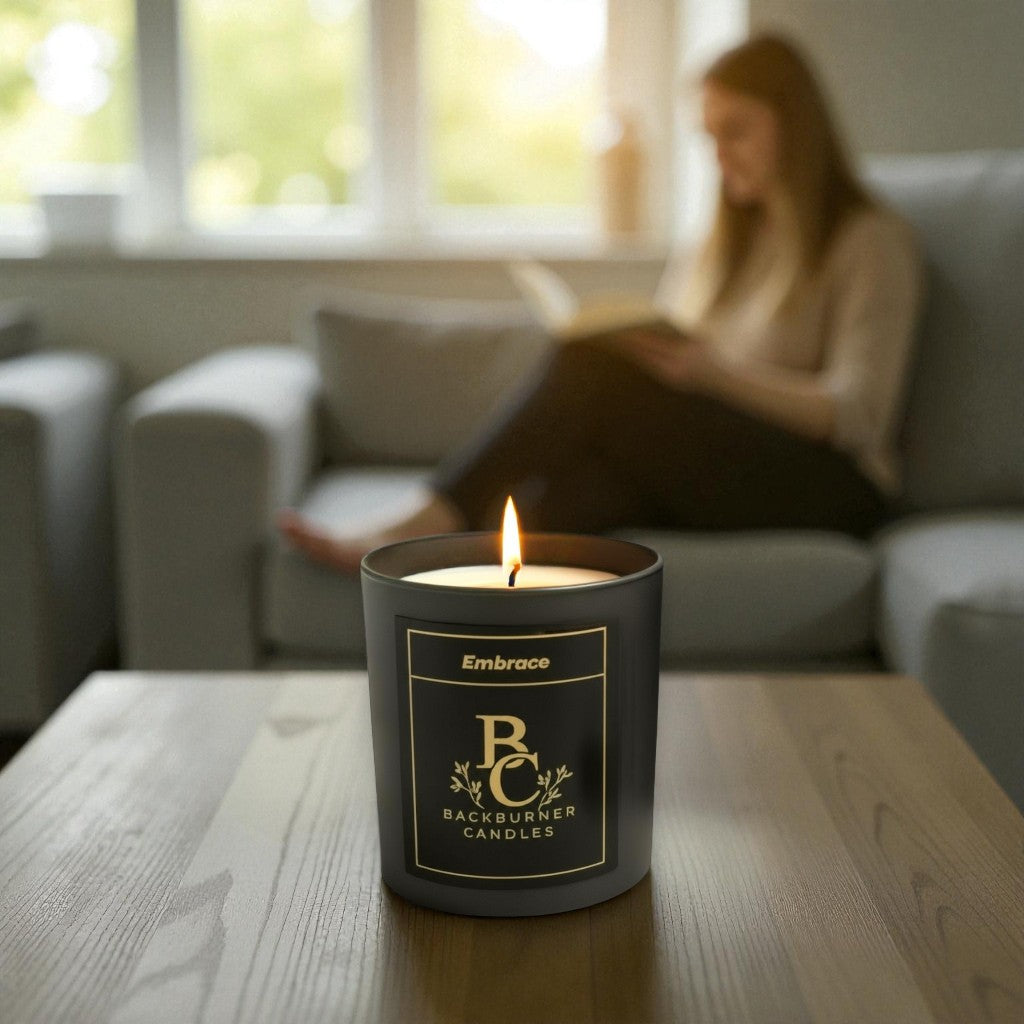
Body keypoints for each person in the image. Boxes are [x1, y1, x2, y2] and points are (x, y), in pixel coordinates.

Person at [280, 33, 922, 573]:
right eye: (710, 137)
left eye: (736, 132)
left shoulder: (871, 241)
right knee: (584, 487)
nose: (720, 156)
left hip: (834, 485)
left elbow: (858, 416)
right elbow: (675, 353)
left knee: (592, 369)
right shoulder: (727, 240)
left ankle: (424, 521)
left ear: (796, 126)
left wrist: (715, 374)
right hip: (722, 459)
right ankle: (467, 581)